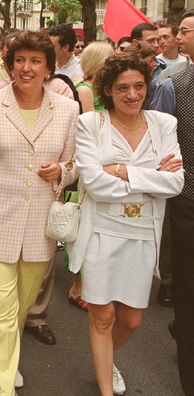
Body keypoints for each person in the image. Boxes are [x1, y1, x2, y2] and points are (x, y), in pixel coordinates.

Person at [0, 30, 78, 395]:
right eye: (19, 60)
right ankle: (2, 387)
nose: (27, 68)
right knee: (0, 309)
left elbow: (74, 162)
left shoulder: (68, 109)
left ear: (48, 68)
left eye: (36, 61)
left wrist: (63, 172)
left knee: (19, 310)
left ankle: (6, 359)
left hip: (40, 226)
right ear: (8, 66)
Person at [69, 53, 184, 396]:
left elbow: (176, 183)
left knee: (131, 320)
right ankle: (105, 388)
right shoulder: (91, 123)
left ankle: (104, 357)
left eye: (138, 86)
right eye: (122, 88)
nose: (132, 94)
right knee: (102, 317)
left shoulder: (164, 124)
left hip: (143, 234)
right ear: (108, 90)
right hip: (101, 232)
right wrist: (151, 178)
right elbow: (95, 185)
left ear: (147, 88)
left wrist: (120, 170)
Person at [151, 11, 194, 394]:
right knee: (188, 290)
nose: (180, 36)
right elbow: (160, 146)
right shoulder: (174, 86)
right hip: (188, 205)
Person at [66, 41, 114, 312]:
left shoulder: (103, 89)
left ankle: (92, 282)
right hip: (88, 163)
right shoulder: (84, 89)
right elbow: (89, 127)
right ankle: (77, 286)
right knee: (83, 223)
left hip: (105, 160)